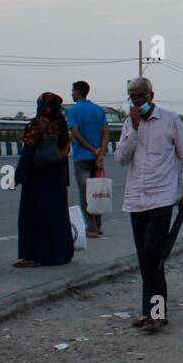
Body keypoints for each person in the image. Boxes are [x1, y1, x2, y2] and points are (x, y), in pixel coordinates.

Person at [117, 76, 183, 334]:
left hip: (162, 199)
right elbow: (120, 158)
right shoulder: (130, 123)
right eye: (133, 96)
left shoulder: (170, 120)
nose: (137, 101)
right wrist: (135, 129)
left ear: (151, 95)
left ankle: (157, 314)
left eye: (141, 95)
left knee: (154, 256)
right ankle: (150, 312)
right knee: (145, 260)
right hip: (136, 200)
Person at [14, 93, 75, 267]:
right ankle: (60, 253)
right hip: (56, 179)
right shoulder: (61, 126)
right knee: (56, 215)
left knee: (34, 216)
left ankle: (34, 255)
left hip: (37, 178)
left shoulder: (36, 125)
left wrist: (19, 176)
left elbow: (28, 151)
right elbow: (63, 155)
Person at [68, 80, 110, 238]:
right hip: (97, 158)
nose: (71, 93)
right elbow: (106, 132)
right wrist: (100, 153)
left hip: (82, 157)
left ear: (78, 91)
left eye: (72, 90)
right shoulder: (99, 110)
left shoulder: (74, 111)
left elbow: (76, 134)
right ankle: (98, 226)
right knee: (97, 192)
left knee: (85, 193)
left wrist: (92, 149)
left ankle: (91, 227)